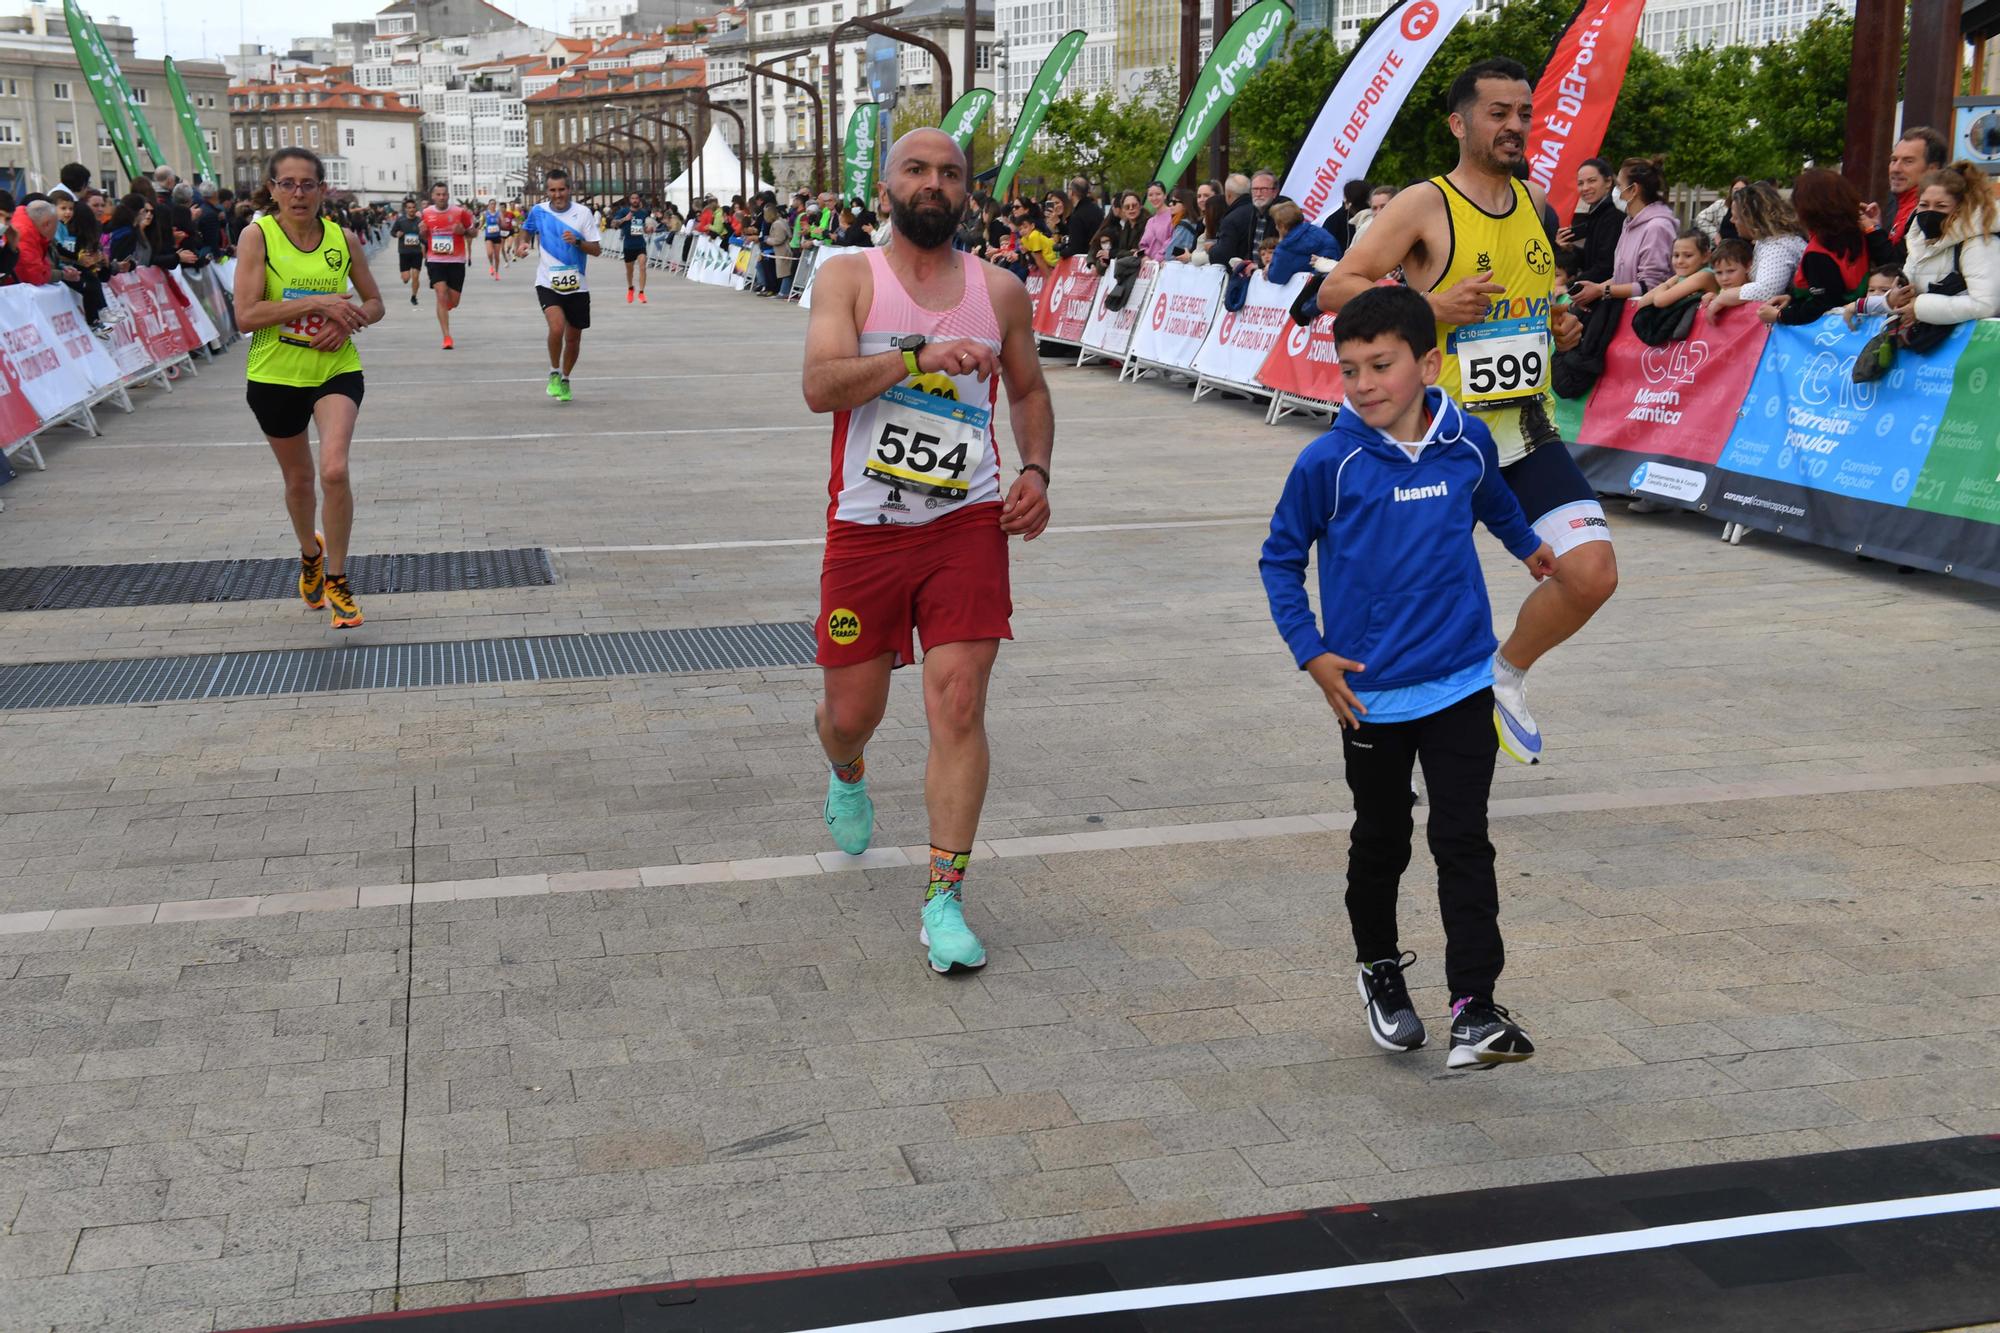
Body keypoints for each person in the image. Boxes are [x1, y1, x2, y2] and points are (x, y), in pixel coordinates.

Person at [1259, 284, 1555, 1068]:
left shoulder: (1466, 441)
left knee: (1463, 838)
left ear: (1428, 363)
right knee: (1382, 840)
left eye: (1380, 365)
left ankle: (1475, 1009)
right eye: (1349, 368)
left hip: (1462, 680)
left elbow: (1491, 497)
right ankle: (1380, 970)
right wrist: (1311, 652)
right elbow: (1280, 559)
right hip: (1370, 695)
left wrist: (1528, 546)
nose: (1362, 385)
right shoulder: (1329, 460)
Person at [800, 128, 1054, 977]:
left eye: (950, 173)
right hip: (866, 529)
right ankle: (846, 768)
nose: (934, 184)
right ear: (886, 187)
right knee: (851, 710)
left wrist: (1037, 471)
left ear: (967, 193)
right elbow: (819, 387)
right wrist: (913, 354)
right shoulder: (846, 277)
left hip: (966, 525)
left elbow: (1028, 388)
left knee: (959, 702)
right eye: (917, 170)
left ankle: (943, 897)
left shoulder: (1001, 290)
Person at [1319, 57, 1610, 767]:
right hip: (1431, 440)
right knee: (1397, 605)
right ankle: (1383, 747)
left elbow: (1535, 304)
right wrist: (1429, 308)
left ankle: (1503, 675)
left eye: (1524, 114)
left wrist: (1560, 326)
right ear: (1460, 122)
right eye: (1498, 113)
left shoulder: (1539, 205)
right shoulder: (1426, 203)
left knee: (1591, 573)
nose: (1514, 126)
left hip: (1521, 432)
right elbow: (1337, 289)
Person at [230, 147, 384, 631]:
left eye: (308, 184)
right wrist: (315, 302)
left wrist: (349, 322)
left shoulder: (342, 239)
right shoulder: (258, 237)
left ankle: (337, 579)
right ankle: (310, 554)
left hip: (335, 370)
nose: (298, 194)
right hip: (275, 376)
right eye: (288, 184)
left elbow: (375, 301)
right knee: (299, 482)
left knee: (334, 470)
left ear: (322, 190)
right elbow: (246, 316)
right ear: (272, 189)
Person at [514, 168, 601, 404]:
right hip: (547, 282)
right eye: (552, 190)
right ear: (547, 191)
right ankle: (553, 371)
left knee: (573, 339)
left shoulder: (583, 214)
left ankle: (565, 378)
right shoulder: (539, 211)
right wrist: (521, 245)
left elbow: (596, 250)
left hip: (577, 286)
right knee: (557, 328)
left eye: (561, 189)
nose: (557, 194)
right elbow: (525, 231)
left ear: (569, 189)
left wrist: (578, 242)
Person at [1763, 168, 1891, 327]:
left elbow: (1823, 304)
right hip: (1865, 321)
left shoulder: (1818, 253)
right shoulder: (1862, 235)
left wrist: (1780, 315)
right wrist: (1792, 299)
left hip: (1836, 329)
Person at [1885, 160, 2000, 330]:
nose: (1930, 211)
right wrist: (1893, 298)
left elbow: (1986, 305)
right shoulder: (1919, 242)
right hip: (1929, 345)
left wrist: (1919, 308)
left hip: (1965, 349)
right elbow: (1911, 289)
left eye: (1941, 205)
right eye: (1924, 204)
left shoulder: (1979, 243)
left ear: (1960, 208)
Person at [1569, 158, 1676, 310]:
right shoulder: (1629, 223)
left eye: (1619, 185)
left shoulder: (1657, 227)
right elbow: (1621, 276)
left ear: (1633, 190)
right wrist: (1593, 290)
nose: (1615, 191)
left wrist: (1601, 290)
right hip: (1625, 312)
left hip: (1645, 318)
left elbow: (1650, 286)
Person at [1706, 182, 1807, 317]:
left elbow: (1766, 290)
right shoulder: (1769, 240)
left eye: (1736, 216)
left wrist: (1723, 298)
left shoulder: (1777, 246)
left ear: (1750, 218)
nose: (1731, 220)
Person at [418, 182, 475, 350]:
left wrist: (463, 231)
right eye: (438, 194)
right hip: (435, 260)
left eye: (444, 194)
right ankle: (447, 337)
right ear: (433, 196)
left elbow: (474, 232)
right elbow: (423, 235)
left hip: (456, 261)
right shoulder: (426, 213)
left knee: (454, 302)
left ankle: (443, 308)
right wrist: (422, 231)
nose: (441, 197)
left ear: (448, 195)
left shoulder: (459, 212)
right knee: (441, 294)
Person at [1881, 126, 1949, 263]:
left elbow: (1900, 263)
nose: (1896, 169)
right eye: (1894, 160)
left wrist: (1873, 232)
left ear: (1932, 169)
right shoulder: (1893, 201)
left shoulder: (1937, 211)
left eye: (1908, 161)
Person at [1556, 158, 1620, 286]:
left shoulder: (1614, 214)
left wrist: (1569, 286)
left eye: (1592, 181)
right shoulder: (1597, 212)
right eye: (1580, 183)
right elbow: (1591, 260)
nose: (1585, 188)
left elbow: (1605, 267)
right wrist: (1570, 249)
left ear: (1608, 182)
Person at [1265, 200, 1342, 286]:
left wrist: (1269, 269)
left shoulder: (1284, 248)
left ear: (1282, 226)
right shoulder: (1322, 233)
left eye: (1276, 224)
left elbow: (1277, 277)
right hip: (1335, 283)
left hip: (1307, 293)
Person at [1086, 190, 1145, 273]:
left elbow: (1139, 252)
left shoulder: (1145, 224)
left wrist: (1112, 254)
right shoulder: (1116, 228)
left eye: (1134, 205)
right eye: (1127, 206)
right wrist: (1096, 263)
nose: (1131, 209)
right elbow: (1098, 249)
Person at [609, 191, 651, 303]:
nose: (635, 200)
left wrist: (648, 230)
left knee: (642, 266)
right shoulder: (623, 211)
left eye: (637, 198)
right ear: (630, 200)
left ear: (639, 200)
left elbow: (644, 228)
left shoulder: (643, 213)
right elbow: (613, 224)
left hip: (640, 244)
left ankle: (641, 293)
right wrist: (624, 219)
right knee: (630, 271)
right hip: (628, 245)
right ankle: (630, 288)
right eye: (633, 198)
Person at [388, 198, 424, 306]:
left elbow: (425, 235)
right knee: (406, 278)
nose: (411, 210)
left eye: (413, 207)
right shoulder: (400, 220)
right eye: (409, 208)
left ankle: (414, 296)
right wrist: (396, 234)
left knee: (416, 276)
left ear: (415, 208)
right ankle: (405, 279)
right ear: (406, 209)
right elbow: (392, 232)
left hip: (417, 252)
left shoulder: (419, 221)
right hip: (404, 252)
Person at [1062, 176, 1102, 260]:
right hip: (1097, 256)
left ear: (1072, 192)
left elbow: (1075, 248)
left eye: (1068, 189)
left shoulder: (1077, 216)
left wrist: (1061, 252)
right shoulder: (1097, 209)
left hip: (1085, 261)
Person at [1138, 180, 1173, 260]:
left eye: (1158, 194)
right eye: (1150, 195)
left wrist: (1157, 259)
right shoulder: (1150, 221)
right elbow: (1143, 245)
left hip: (1166, 264)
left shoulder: (1173, 215)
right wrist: (1144, 257)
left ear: (1165, 195)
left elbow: (1171, 241)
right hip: (1149, 266)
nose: (1154, 198)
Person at [1167, 186, 1202, 259]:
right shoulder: (1196, 222)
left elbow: (1169, 253)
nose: (1170, 204)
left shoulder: (1183, 225)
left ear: (1185, 205)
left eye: (1174, 202)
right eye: (1170, 201)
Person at [480, 200, 505, 279]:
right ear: (488, 205)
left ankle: (497, 272)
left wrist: (500, 222)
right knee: (490, 253)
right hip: (489, 236)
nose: (493, 205)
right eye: (491, 204)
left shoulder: (499, 213)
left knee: (497, 256)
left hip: (497, 236)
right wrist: (479, 227)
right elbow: (481, 224)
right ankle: (491, 265)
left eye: (494, 204)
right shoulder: (485, 213)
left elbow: (503, 224)